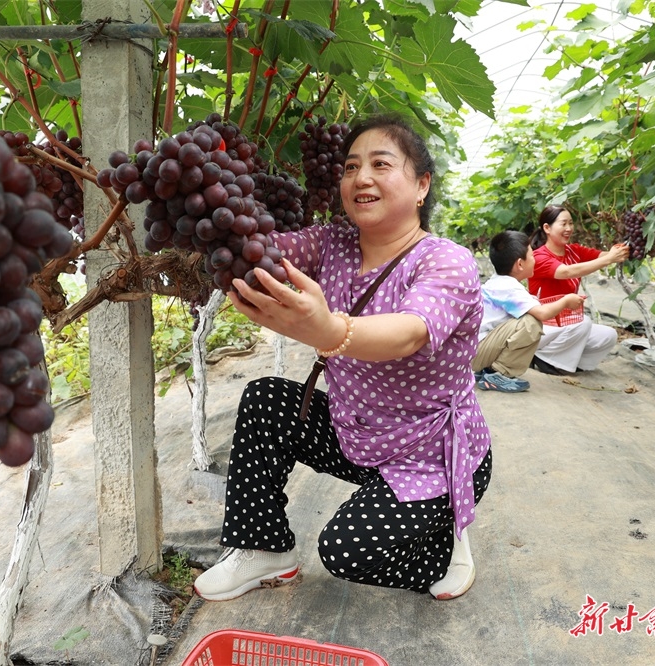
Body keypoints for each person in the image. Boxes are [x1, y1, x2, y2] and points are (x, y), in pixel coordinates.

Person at [193, 115, 493, 602]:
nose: (361, 178)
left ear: (421, 185)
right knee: (266, 398)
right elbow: (259, 248)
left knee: (347, 551)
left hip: (430, 453)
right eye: (351, 167)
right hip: (356, 433)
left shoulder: (445, 261)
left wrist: (330, 330)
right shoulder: (332, 242)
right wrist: (208, 190)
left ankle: (446, 537)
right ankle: (263, 548)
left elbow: (410, 332)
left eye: (380, 164)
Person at [471, 230, 586, 392]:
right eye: (532, 256)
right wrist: (566, 301)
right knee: (531, 323)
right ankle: (498, 373)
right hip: (477, 352)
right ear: (520, 264)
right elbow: (542, 314)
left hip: (474, 350)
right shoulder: (509, 287)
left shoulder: (499, 282)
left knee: (527, 318)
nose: (535, 260)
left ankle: (487, 370)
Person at [526, 205, 629, 374]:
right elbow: (566, 272)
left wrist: (616, 252)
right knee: (583, 322)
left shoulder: (574, 251)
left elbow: (602, 256)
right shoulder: (539, 256)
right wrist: (610, 259)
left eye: (571, 223)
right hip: (542, 325)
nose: (569, 229)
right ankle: (543, 357)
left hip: (566, 324)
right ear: (547, 228)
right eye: (563, 224)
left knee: (608, 335)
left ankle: (571, 362)